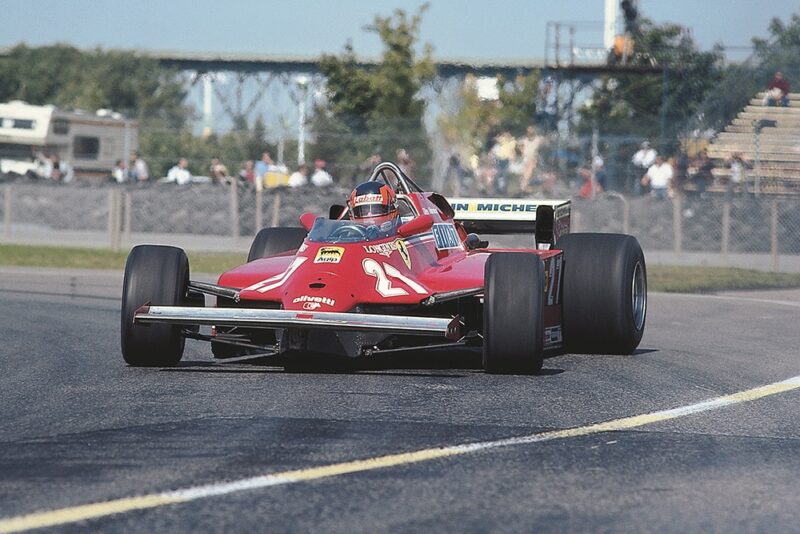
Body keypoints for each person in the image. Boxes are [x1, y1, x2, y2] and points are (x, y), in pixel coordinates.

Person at [518, 125, 543, 194]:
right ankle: (524, 188)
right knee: (525, 174)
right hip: (526, 158)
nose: (530, 131)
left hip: (534, 158)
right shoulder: (524, 139)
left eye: (531, 130)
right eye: (529, 130)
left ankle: (525, 188)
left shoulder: (538, 139)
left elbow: (544, 141)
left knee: (529, 173)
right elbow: (519, 144)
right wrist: (522, 151)